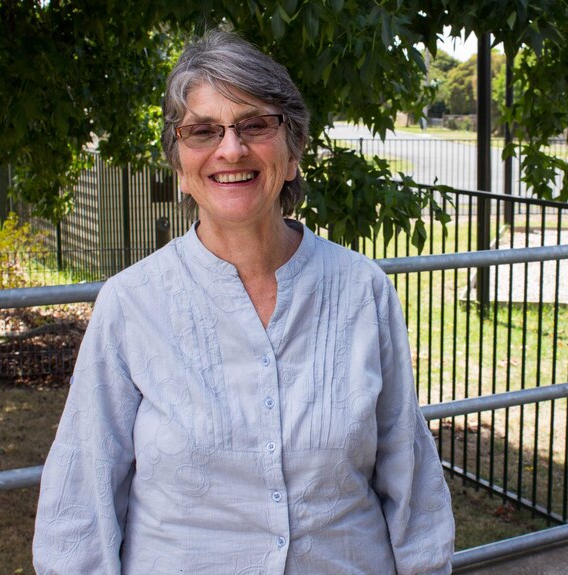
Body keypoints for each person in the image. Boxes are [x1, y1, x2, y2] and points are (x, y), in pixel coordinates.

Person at [33, 30, 455, 574]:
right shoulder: (131, 305)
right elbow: (80, 503)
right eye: (203, 131)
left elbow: (410, 477)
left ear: (294, 148)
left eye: (255, 124)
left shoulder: (361, 289)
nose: (230, 149)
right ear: (180, 165)